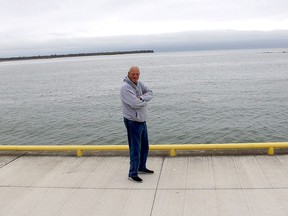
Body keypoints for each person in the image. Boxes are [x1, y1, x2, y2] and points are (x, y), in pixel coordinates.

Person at [120, 66, 154, 183]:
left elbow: (151, 92)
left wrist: (141, 98)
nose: (135, 76)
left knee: (145, 146)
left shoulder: (139, 84)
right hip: (133, 122)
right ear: (128, 74)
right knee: (135, 148)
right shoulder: (125, 88)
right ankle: (132, 173)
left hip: (142, 120)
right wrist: (144, 101)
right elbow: (134, 103)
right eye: (133, 74)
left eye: (137, 74)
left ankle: (141, 167)